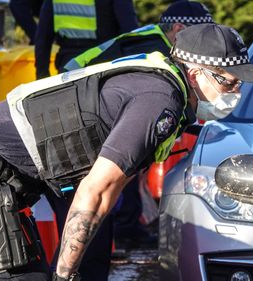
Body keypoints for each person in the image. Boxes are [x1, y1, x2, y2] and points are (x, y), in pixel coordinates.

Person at [0, 23, 253, 281]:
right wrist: (65, 275)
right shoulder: (159, 101)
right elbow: (95, 193)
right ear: (196, 73)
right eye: (229, 83)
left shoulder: (159, 87)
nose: (236, 93)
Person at [63, 1, 214, 253]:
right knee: (106, 184)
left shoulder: (157, 41)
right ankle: (116, 235)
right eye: (200, 37)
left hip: (84, 99)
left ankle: (122, 230)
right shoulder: (154, 50)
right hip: (75, 106)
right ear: (178, 29)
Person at [63, 0, 213, 71]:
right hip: (75, 77)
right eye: (200, 33)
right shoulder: (152, 49)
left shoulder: (156, 36)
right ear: (178, 29)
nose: (204, 40)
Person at [34, 0, 138, 78]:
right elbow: (130, 31)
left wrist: (42, 75)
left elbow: (43, 38)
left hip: (69, 67)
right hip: (106, 66)